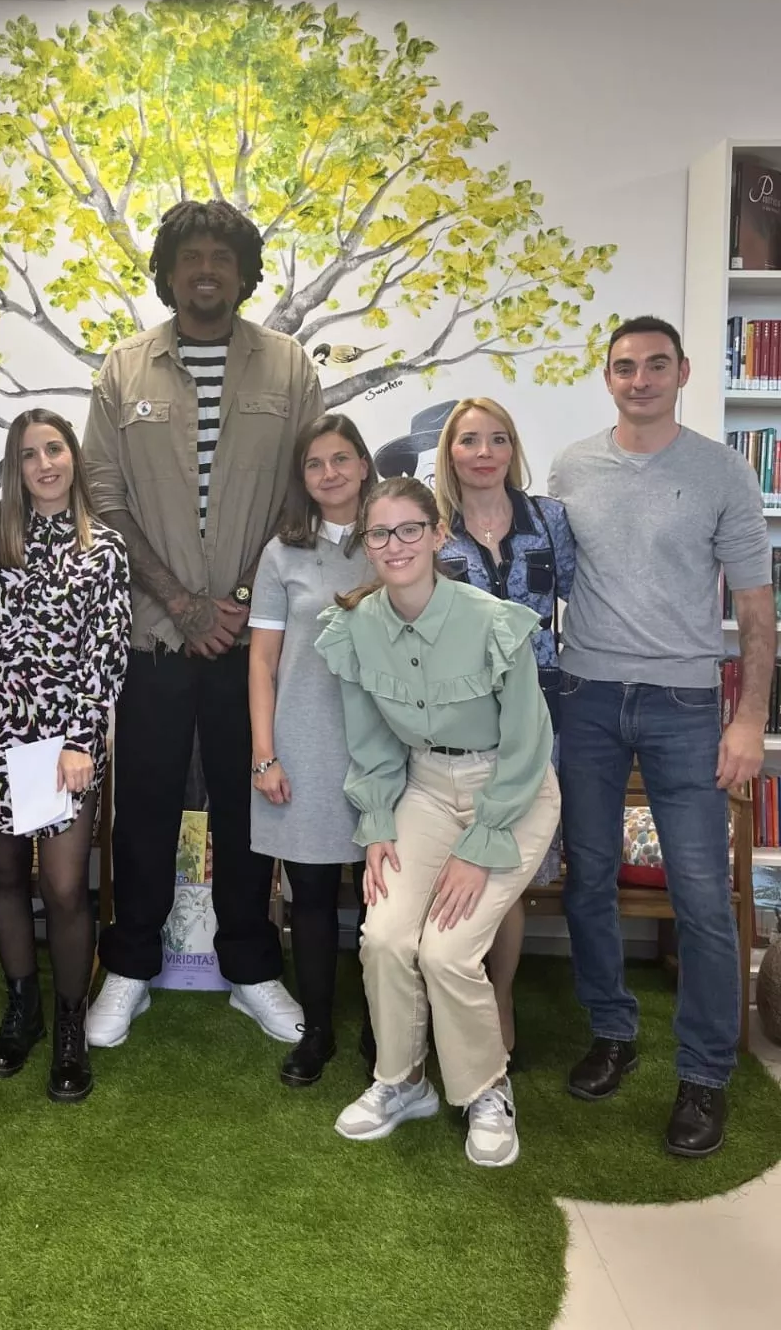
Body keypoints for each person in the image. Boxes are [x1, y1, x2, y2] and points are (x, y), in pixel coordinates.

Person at [83, 199, 325, 1048]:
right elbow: (104, 500)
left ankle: (252, 968)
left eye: (225, 255)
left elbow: (305, 493)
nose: (208, 269)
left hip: (255, 642)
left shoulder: (291, 368)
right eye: (192, 256)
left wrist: (237, 605)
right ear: (168, 271)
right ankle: (130, 967)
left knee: (249, 805)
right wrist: (185, 607)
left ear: (247, 272)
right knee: (143, 805)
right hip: (154, 636)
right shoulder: (123, 369)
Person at [549, 315, 775, 1158]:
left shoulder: (720, 472)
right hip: (587, 696)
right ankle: (613, 1030)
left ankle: (706, 1074)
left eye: (654, 365)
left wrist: (747, 718)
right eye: (622, 367)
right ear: (605, 377)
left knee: (703, 899)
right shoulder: (573, 467)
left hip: (684, 704)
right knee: (589, 880)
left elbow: (757, 612)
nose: (638, 378)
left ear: (682, 371)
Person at [317, 477, 560, 1168]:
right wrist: (378, 829)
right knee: (386, 935)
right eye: (378, 533)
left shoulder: (492, 619)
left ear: (437, 534)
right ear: (366, 544)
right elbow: (371, 745)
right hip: (422, 789)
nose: (393, 545)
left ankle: (487, 1089)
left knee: (448, 951)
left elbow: (526, 746)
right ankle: (402, 1080)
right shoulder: (356, 628)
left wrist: (480, 846)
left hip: (511, 793)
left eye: (408, 529)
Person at [0, 409, 130, 1103]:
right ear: (15, 465)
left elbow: (107, 649)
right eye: (29, 454)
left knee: (62, 886)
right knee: (3, 873)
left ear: (73, 456)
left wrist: (85, 737)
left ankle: (68, 1024)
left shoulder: (105, 546)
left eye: (54, 448)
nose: (44, 463)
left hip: (62, 745)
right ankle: (21, 1006)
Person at [435, 396, 575, 1061]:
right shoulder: (432, 528)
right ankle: (450, 998)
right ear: (450, 452)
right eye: (470, 440)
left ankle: (501, 995)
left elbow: (579, 598)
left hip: (536, 721)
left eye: (497, 438)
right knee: (454, 865)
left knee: (507, 873)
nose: (484, 452)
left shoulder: (549, 520)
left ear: (512, 448)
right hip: (456, 726)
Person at [248, 415, 374, 1086]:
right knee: (314, 897)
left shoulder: (391, 539)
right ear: (302, 478)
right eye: (314, 464)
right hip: (303, 742)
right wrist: (264, 753)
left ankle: (384, 1033)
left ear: (362, 463)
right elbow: (262, 663)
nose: (329, 473)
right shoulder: (281, 554)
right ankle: (318, 1030)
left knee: (383, 899)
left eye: (340, 459)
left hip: (384, 746)